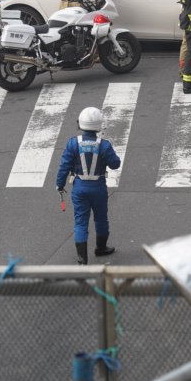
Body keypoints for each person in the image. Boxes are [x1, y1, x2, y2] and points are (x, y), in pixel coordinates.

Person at [55, 107, 121, 265]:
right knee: (101, 219)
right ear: (98, 126)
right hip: (98, 188)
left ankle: (82, 259)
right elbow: (115, 164)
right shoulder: (103, 145)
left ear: (80, 124)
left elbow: (64, 166)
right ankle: (101, 247)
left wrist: (59, 184)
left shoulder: (73, 143)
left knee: (80, 222)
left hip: (79, 188)